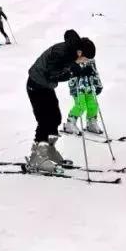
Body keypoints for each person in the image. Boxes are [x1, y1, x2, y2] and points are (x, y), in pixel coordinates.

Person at [25, 29, 94, 174]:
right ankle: (36, 158)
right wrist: (72, 72)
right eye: (85, 59)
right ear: (80, 52)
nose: (84, 62)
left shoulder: (70, 52)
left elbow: (65, 67)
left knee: (55, 117)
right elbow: (52, 75)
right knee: (45, 120)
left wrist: (77, 70)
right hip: (36, 85)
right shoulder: (61, 53)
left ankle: (49, 151)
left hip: (45, 86)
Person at [63, 58, 104, 136]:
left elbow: (94, 71)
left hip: (89, 86)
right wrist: (75, 70)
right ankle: (70, 123)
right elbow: (67, 69)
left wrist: (98, 84)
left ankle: (91, 123)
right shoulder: (72, 55)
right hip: (77, 85)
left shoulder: (90, 57)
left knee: (93, 105)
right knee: (81, 105)